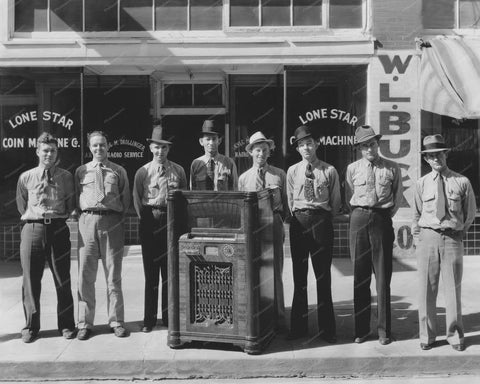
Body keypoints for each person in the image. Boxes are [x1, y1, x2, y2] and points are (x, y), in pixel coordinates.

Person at [412, 134, 476, 352]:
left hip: (452, 239)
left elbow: (469, 214)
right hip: (428, 237)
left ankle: (455, 336)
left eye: (439, 154)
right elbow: (416, 213)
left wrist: (457, 233)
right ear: (426, 159)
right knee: (426, 290)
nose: (435, 158)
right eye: (430, 156)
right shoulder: (420, 184)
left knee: (453, 291)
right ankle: (427, 336)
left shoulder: (461, 182)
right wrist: (418, 238)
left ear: (446, 154)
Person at [345, 125, 403, 345]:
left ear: (378, 144)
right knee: (360, 277)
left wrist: (382, 215)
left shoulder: (392, 168)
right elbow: (349, 194)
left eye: (372, 143)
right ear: (359, 148)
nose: (369, 148)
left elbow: (397, 197)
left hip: (381, 219)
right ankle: (361, 330)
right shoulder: (352, 169)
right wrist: (361, 213)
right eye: (364, 145)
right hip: (358, 219)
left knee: (383, 277)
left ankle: (384, 331)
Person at [16, 132, 76, 343]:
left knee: (63, 279)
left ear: (57, 153)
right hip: (33, 229)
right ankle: (31, 327)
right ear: (38, 152)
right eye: (45, 150)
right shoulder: (26, 177)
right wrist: (36, 219)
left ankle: (67, 325)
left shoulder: (66, 177)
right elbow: (22, 206)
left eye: (53, 150)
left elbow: (70, 205)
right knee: (31, 280)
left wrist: (57, 218)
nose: (49, 154)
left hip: (58, 228)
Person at [286, 125, 340, 342]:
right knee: (299, 278)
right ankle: (298, 328)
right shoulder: (292, 171)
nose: (306, 148)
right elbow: (290, 199)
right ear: (298, 148)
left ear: (317, 144)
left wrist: (323, 218)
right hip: (299, 222)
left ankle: (327, 330)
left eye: (309, 143)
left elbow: (335, 202)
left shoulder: (329, 170)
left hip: (321, 222)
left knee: (323, 277)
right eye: (301, 145)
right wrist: (300, 215)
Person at [75, 131, 130, 340]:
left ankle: (116, 321)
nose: (99, 149)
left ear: (108, 146)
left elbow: (125, 200)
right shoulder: (81, 171)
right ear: (90, 148)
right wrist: (86, 217)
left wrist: (113, 215)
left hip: (112, 222)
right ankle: (84, 323)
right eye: (95, 145)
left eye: (103, 145)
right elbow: (75, 200)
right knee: (85, 275)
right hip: (87, 222)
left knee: (113, 275)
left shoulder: (118, 171)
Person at [133, 123, 187, 333]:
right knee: (151, 273)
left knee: (170, 273)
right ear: (150, 148)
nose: (160, 151)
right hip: (150, 220)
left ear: (169, 149)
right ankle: (149, 319)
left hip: (171, 222)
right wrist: (146, 220)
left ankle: (168, 316)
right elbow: (137, 200)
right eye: (156, 147)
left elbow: (183, 198)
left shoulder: (178, 171)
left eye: (164, 147)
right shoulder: (142, 172)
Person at [238, 131, 289, 332]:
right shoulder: (244, 178)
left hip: (273, 223)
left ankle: (278, 317)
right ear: (251, 152)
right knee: (252, 269)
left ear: (269, 152)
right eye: (257, 150)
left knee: (275, 269)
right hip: (252, 226)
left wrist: (278, 222)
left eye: (264, 150)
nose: (261, 154)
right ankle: (255, 315)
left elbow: (286, 203)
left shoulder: (279, 175)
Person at [190, 120, 238, 191]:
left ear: (219, 141)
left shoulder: (229, 163)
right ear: (201, 141)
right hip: (202, 202)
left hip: (223, 202)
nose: (211, 143)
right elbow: (192, 191)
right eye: (208, 139)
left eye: (214, 139)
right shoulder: (196, 164)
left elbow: (235, 189)